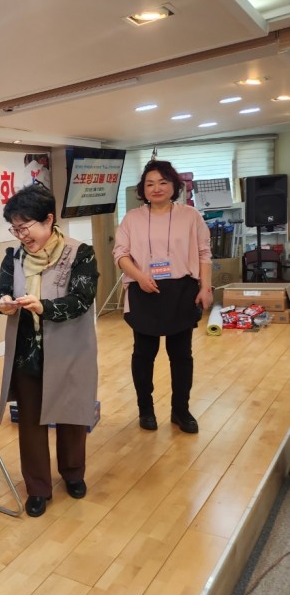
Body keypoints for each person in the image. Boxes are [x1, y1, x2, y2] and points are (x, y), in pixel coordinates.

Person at [0, 183, 99, 518]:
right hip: (28, 351)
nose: (21, 235)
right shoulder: (14, 257)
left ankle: (73, 473)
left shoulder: (80, 252)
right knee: (30, 423)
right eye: (15, 228)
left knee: (71, 415)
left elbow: (82, 300)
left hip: (69, 349)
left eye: (25, 227)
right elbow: (0, 291)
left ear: (48, 219)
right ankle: (37, 487)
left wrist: (44, 307)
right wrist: (3, 302)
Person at [113, 160, 212, 435]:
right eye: (150, 183)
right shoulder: (132, 218)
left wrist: (206, 287)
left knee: (181, 355)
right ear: (143, 189)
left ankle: (181, 410)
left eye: (163, 182)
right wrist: (139, 276)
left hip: (181, 291)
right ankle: (145, 409)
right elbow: (120, 254)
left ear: (174, 186)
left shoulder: (191, 216)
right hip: (145, 290)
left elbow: (204, 252)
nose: (156, 188)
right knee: (144, 355)